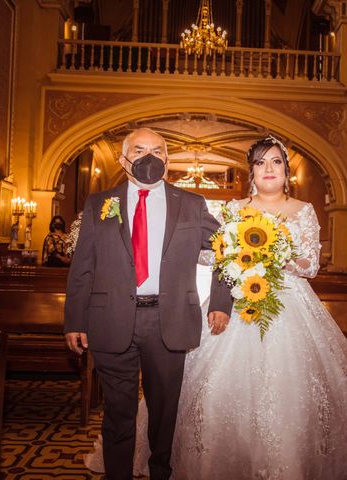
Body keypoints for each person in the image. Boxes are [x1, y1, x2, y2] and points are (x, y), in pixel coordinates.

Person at [86, 135, 347, 479]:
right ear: (251, 171)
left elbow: (310, 265)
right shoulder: (233, 210)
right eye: (261, 162)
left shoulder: (303, 211)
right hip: (237, 305)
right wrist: (223, 254)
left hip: (290, 308)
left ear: (287, 171)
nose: (269, 169)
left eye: (276, 162)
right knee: (210, 394)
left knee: (289, 396)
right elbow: (210, 251)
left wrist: (271, 254)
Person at [64, 128, 232, 480]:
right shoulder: (99, 204)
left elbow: (228, 251)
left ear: (168, 160)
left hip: (168, 320)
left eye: (158, 150)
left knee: (164, 413)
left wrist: (221, 302)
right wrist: (74, 320)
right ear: (124, 158)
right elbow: (84, 266)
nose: (149, 157)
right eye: (140, 149)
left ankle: (161, 473)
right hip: (110, 319)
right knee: (118, 413)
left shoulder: (191, 204)